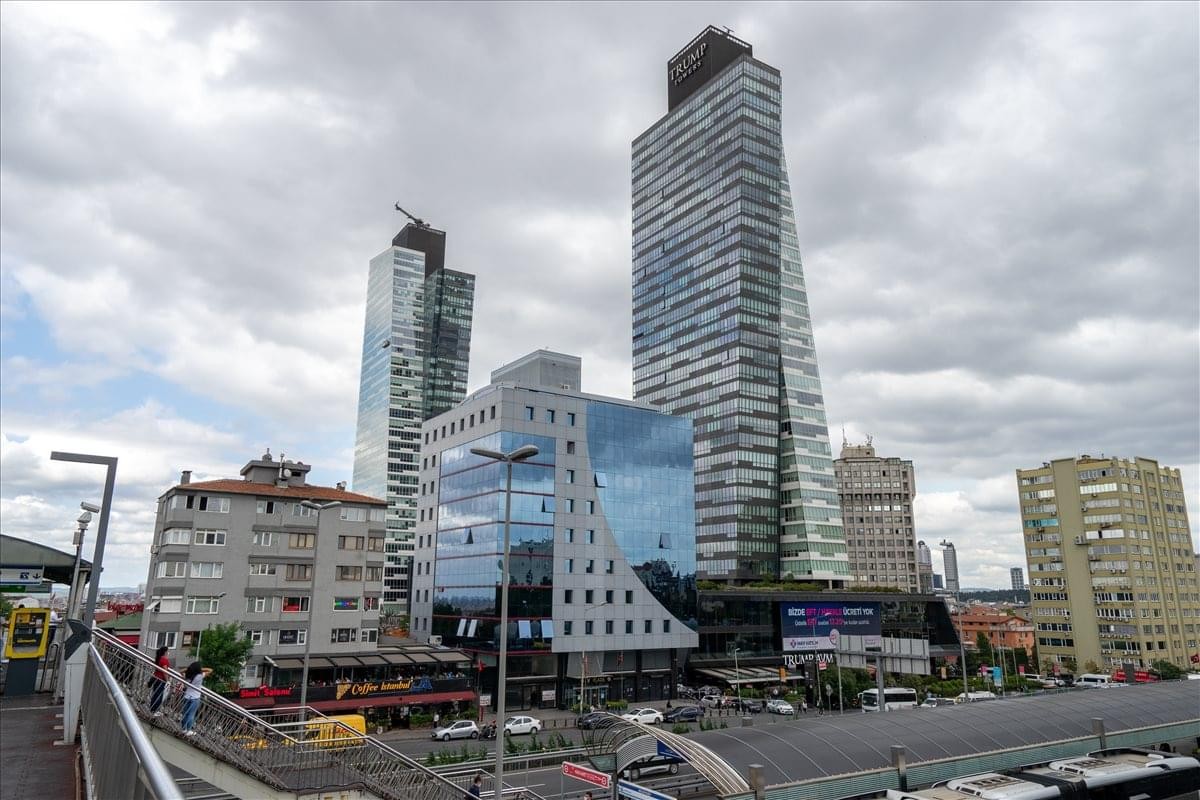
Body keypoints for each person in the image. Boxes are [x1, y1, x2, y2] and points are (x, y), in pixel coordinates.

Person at [181, 661, 205, 737]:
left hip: (187, 696)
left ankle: (184, 729)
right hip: (195, 698)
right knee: (191, 714)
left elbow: (180, 671)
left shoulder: (188, 675)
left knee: (185, 714)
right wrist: (200, 669)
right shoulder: (200, 676)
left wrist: (189, 669)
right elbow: (210, 670)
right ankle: (189, 730)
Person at [148, 645, 170, 716]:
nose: (168, 653)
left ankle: (152, 709)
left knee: (155, 694)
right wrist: (167, 681)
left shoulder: (159, 658)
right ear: (165, 652)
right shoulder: (164, 660)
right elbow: (165, 671)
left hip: (156, 678)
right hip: (161, 680)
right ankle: (155, 711)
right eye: (167, 651)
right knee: (159, 695)